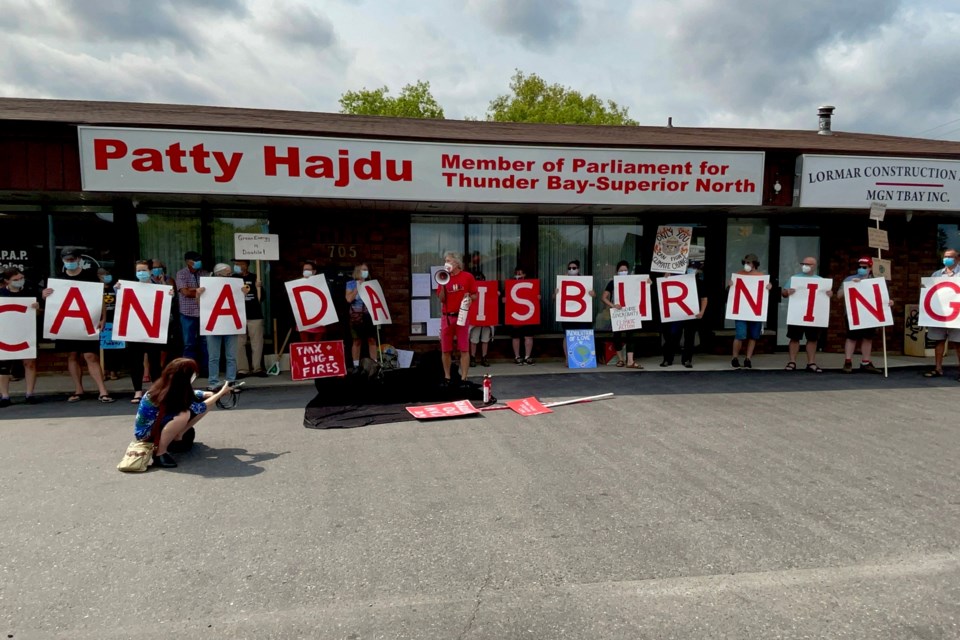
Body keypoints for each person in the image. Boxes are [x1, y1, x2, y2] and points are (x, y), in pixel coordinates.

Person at [131, 357, 233, 469]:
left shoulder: (169, 384)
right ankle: (160, 453)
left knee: (206, 402)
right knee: (183, 415)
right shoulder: (170, 392)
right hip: (147, 434)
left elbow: (192, 394)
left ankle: (179, 434)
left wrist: (207, 394)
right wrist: (220, 393)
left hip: (159, 424)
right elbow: (199, 407)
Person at [42, 247, 114, 403]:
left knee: (90, 355)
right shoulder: (59, 280)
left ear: (79, 259)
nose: (70, 262)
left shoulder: (90, 277)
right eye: (67, 260)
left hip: (87, 321)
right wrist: (45, 295)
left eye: (72, 260)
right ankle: (78, 389)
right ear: (62, 261)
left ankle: (102, 390)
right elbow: (53, 303)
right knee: (72, 355)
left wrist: (103, 318)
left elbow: (99, 298)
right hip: (68, 323)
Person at [117, 260, 173, 403]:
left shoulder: (159, 287)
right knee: (135, 361)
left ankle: (155, 390)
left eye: (143, 270)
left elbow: (167, 304)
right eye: (138, 271)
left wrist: (168, 291)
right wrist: (117, 289)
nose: (141, 273)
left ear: (150, 271)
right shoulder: (128, 287)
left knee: (154, 361)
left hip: (152, 329)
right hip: (134, 329)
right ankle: (137, 391)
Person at [782, 256, 831, 372]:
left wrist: (829, 293)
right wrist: (786, 292)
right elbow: (783, 293)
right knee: (794, 338)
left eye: (808, 264)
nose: (805, 266)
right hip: (797, 313)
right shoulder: (794, 278)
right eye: (803, 263)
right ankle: (792, 361)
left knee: (812, 339)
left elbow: (825, 296)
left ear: (814, 266)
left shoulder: (820, 280)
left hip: (813, 314)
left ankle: (811, 362)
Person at [435, 250, 477, 386]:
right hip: (447, 316)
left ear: (457, 263)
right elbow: (441, 299)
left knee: (464, 348)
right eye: (445, 261)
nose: (446, 263)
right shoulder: (443, 277)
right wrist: (442, 283)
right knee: (446, 349)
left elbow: (475, 294)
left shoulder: (467, 277)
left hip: (462, 315)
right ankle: (447, 377)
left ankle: (464, 378)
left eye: (449, 261)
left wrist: (469, 298)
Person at [0, 267, 39, 406]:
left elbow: (39, 314)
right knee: (3, 366)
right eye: (15, 280)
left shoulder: (29, 292)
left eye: (21, 278)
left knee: (30, 363)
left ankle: (30, 394)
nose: (19, 281)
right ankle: (4, 396)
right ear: (6, 281)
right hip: (5, 334)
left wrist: (37, 308)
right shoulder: (1, 294)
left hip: (26, 333)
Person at [838, 257, 883, 374]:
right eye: (860, 267)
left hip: (869, 313)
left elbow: (882, 297)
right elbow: (839, 295)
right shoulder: (849, 279)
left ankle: (866, 362)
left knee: (868, 338)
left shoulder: (875, 280)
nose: (861, 269)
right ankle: (848, 361)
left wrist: (889, 302)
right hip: (853, 313)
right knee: (851, 337)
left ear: (870, 268)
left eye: (864, 267)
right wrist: (850, 285)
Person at [198, 263, 240, 390]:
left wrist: (243, 292)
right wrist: (198, 294)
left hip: (229, 323)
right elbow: (201, 304)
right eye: (228, 273)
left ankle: (231, 381)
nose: (230, 275)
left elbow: (239, 302)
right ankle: (213, 382)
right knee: (214, 356)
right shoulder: (208, 285)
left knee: (231, 356)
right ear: (218, 274)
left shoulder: (234, 285)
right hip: (214, 324)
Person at [661, 260, 708, 368]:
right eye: (690, 267)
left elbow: (704, 299)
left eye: (694, 268)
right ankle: (667, 359)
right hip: (677, 313)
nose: (692, 269)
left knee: (689, 337)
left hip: (692, 314)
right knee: (672, 336)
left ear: (698, 271)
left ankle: (687, 359)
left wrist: (702, 312)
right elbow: (667, 288)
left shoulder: (700, 283)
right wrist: (666, 278)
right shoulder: (679, 279)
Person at [730, 253, 772, 369]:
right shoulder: (739, 274)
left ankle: (748, 358)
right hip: (741, 310)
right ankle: (735, 357)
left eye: (748, 262)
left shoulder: (760, 276)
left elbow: (763, 294)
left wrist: (769, 287)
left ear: (754, 264)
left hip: (754, 311)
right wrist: (730, 286)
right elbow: (730, 292)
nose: (746, 265)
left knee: (753, 336)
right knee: (740, 334)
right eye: (745, 262)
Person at [923, 247, 960, 379]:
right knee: (939, 340)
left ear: (957, 259)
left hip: (957, 314)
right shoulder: (936, 275)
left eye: (950, 257)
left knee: (958, 343)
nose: (947, 259)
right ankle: (938, 368)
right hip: (940, 314)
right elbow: (930, 292)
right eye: (945, 256)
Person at [602, 260, 642, 369]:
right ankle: (620, 359)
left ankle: (630, 361)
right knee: (617, 336)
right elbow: (604, 297)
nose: (623, 272)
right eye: (621, 270)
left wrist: (648, 282)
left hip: (630, 312)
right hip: (618, 312)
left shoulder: (633, 281)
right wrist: (613, 305)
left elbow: (643, 289)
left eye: (625, 270)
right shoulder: (612, 282)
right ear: (617, 271)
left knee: (631, 335)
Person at [555, 259, 596, 362]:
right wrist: (556, 293)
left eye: (574, 268)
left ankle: (584, 359)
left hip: (582, 315)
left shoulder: (584, 281)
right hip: (568, 314)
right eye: (569, 268)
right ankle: (568, 358)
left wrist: (592, 294)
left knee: (583, 334)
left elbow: (594, 295)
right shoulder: (562, 281)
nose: (571, 270)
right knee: (567, 335)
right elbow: (554, 298)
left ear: (578, 269)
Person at [175, 250, 210, 370]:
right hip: (187, 313)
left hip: (204, 312)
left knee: (205, 342)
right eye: (195, 260)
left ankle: (205, 369)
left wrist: (192, 290)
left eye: (198, 260)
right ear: (188, 262)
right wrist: (199, 290)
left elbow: (210, 291)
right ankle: (188, 370)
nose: (198, 262)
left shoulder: (205, 273)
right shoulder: (181, 274)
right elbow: (185, 292)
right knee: (189, 343)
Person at [232, 259, 265, 377]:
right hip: (238, 314)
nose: (237, 266)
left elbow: (262, 298)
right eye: (235, 264)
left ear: (246, 265)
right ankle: (242, 369)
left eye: (240, 264)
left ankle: (257, 368)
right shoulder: (232, 278)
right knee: (238, 343)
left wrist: (258, 287)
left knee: (257, 342)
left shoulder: (255, 277)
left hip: (254, 314)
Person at [345, 263, 377, 369]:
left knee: (371, 339)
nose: (365, 272)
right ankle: (356, 365)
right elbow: (349, 299)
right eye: (363, 270)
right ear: (358, 271)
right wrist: (357, 287)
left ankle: (374, 364)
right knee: (356, 340)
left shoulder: (370, 283)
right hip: (356, 316)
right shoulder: (351, 284)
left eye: (366, 270)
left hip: (368, 315)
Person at [505, 266, 537, 365]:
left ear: (524, 274)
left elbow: (535, 297)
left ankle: (527, 356)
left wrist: (537, 298)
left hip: (528, 314)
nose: (518, 275)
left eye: (520, 273)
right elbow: (504, 299)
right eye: (516, 273)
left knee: (529, 336)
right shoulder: (509, 285)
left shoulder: (531, 285)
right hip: (515, 315)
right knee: (516, 336)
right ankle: (517, 356)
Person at [467, 254, 493, 367]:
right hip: (475, 317)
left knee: (485, 339)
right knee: (474, 338)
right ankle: (472, 357)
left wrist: (495, 294)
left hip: (486, 317)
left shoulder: (488, 290)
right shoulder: (470, 291)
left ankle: (484, 357)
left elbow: (492, 301)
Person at [97, 267, 121, 381]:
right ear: (98, 276)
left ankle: (114, 370)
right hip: (102, 322)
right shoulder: (96, 290)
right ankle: (104, 370)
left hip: (115, 320)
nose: (106, 276)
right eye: (103, 274)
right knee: (103, 348)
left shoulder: (115, 288)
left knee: (115, 347)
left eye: (108, 274)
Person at [298, 260, 326, 342]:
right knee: (305, 347)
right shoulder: (297, 284)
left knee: (317, 347)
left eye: (308, 270)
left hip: (318, 321)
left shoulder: (321, 284)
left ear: (314, 272)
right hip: (303, 321)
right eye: (304, 270)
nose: (306, 271)